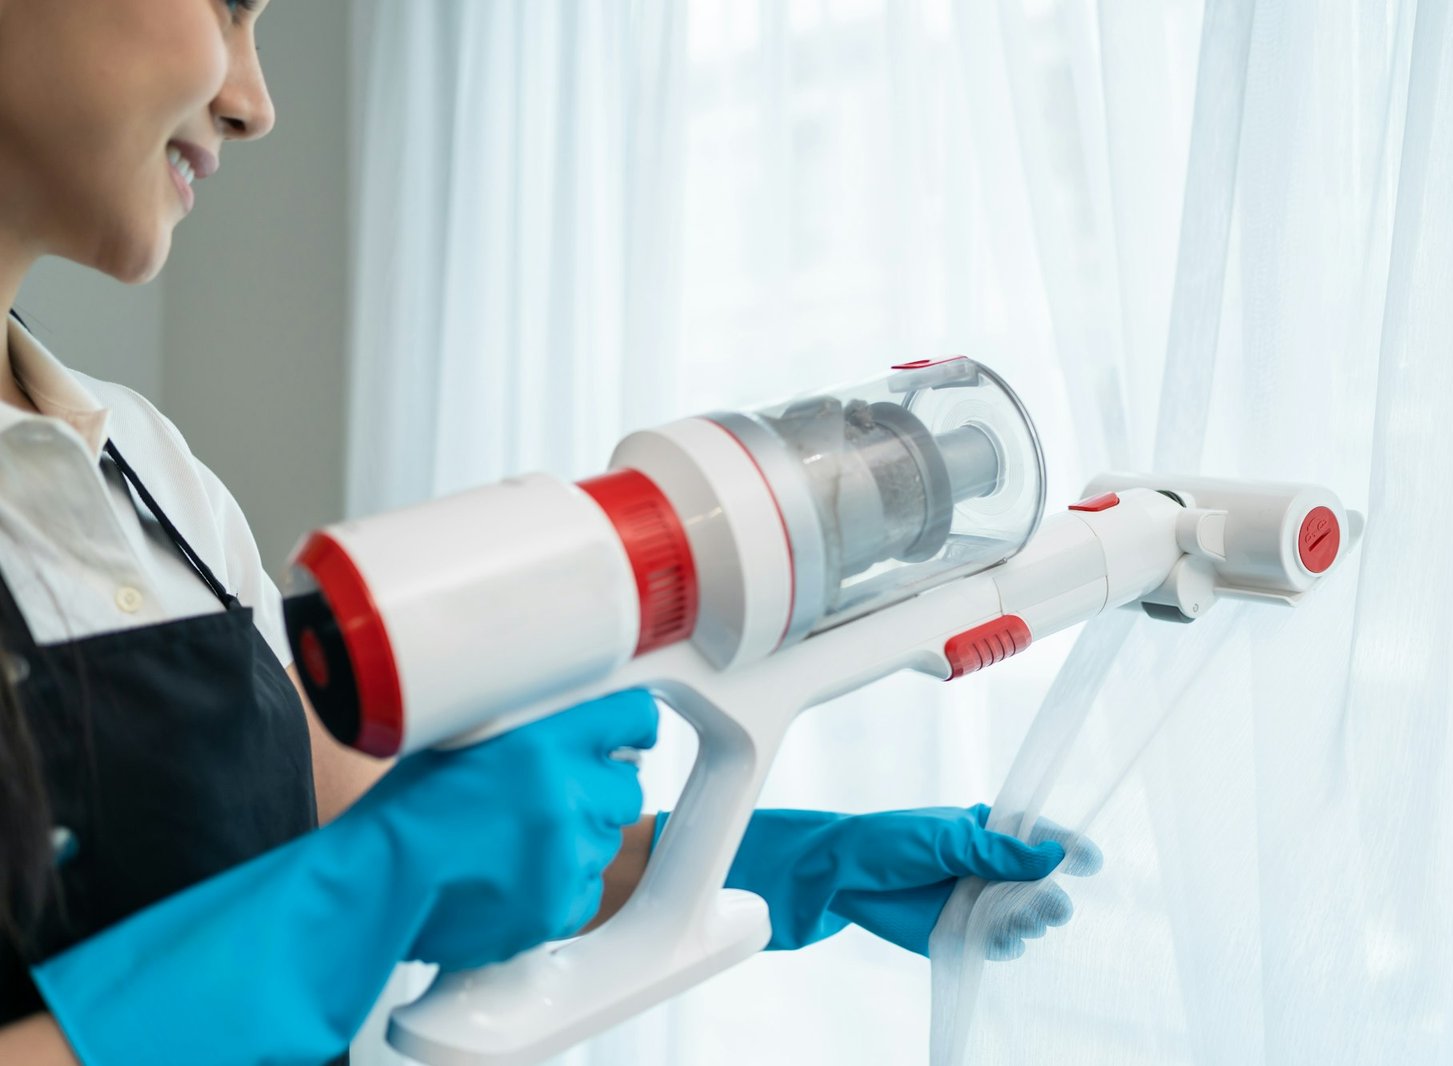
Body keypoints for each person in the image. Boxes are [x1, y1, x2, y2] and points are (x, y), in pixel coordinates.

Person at [0, 2, 1102, 1063]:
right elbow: (360, 882)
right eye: (227, 4)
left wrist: (781, 858)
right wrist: (357, 903)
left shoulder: (139, 463)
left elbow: (359, 831)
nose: (256, 102)